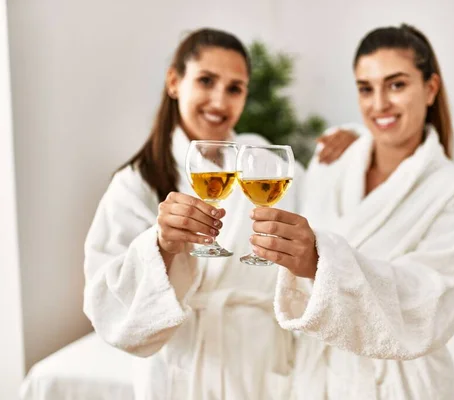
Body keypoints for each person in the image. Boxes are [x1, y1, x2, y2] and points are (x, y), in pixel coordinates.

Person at [249, 24, 454, 399]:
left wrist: (321, 262)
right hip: (318, 378)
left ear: (430, 88)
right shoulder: (333, 162)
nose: (379, 104)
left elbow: (431, 301)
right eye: (366, 88)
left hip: (400, 383)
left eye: (396, 85)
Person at [83, 28, 303, 400]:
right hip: (178, 369)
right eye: (206, 80)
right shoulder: (135, 182)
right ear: (174, 81)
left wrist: (346, 139)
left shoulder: (262, 158)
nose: (220, 100)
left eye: (235, 88)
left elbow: (320, 224)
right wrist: (162, 246)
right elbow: (107, 302)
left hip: (258, 361)